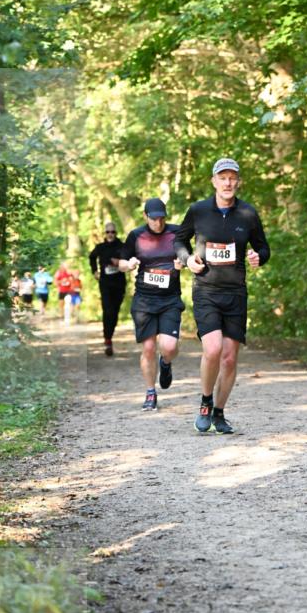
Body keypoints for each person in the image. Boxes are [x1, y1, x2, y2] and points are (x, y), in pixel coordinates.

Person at [175, 157, 270, 434]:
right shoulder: (199, 210)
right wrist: (186, 258)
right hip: (206, 289)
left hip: (235, 293)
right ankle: (205, 403)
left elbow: (264, 248)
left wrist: (257, 257)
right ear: (214, 181)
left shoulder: (248, 214)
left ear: (237, 182)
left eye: (232, 178)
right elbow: (179, 240)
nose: (228, 183)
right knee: (213, 349)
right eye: (223, 177)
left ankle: (219, 413)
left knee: (229, 358)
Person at [117, 198, 185, 411]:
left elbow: (187, 256)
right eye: (154, 218)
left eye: (162, 218)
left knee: (169, 346)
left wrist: (181, 263)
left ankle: (166, 363)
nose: (158, 222)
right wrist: (128, 264)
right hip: (144, 300)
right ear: (145, 216)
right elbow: (121, 262)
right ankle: (150, 392)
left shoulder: (176, 233)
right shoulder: (136, 236)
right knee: (148, 348)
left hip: (170, 299)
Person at [89, 223, 126, 356]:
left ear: (116, 233)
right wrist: (94, 271)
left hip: (119, 284)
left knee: (115, 313)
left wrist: (121, 262)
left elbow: (130, 258)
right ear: (105, 233)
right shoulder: (100, 247)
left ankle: (110, 336)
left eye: (113, 232)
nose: (110, 234)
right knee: (107, 310)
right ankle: (107, 340)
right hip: (105, 284)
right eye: (108, 232)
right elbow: (91, 257)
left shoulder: (122, 246)